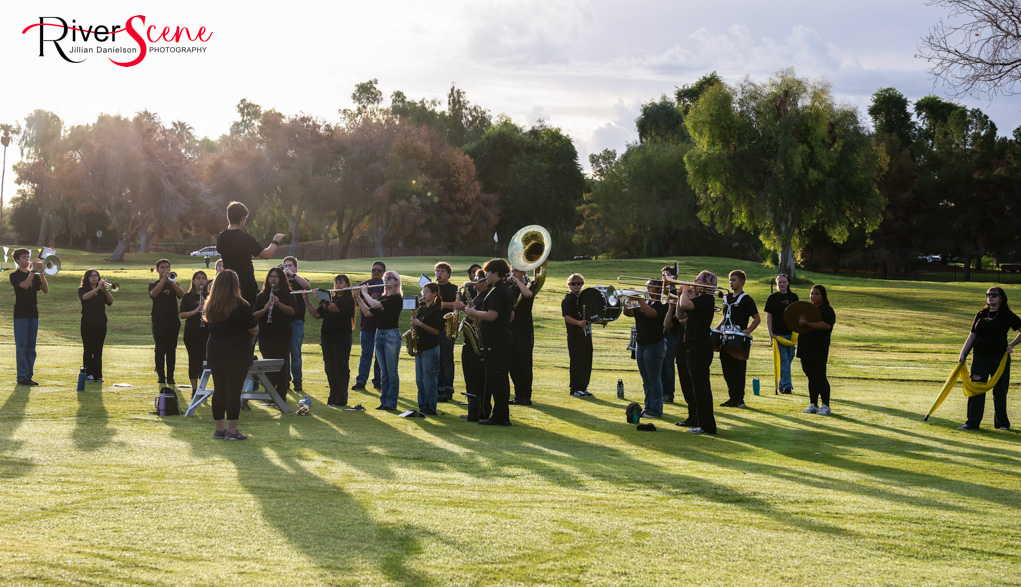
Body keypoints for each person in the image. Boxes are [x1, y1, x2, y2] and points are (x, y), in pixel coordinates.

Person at [204, 270, 259, 440]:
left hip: (215, 349)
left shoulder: (211, 304)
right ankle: (232, 430)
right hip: (237, 350)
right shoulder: (241, 305)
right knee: (234, 391)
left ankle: (219, 429)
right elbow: (254, 328)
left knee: (219, 389)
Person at [957, 286, 1020, 430]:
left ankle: (1002, 423)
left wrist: (1011, 345)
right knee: (976, 388)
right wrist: (963, 353)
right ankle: (972, 422)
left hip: (999, 358)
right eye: (988, 295)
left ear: (1001, 298)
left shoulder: (1006, 314)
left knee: (999, 390)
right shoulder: (981, 314)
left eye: (993, 295)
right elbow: (972, 335)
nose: (990, 297)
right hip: (979, 356)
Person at [466, 259, 514, 426]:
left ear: (496, 272)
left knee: (497, 378)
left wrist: (473, 312)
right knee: (498, 377)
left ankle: (500, 416)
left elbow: (492, 315)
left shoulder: (498, 291)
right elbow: (510, 315)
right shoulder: (502, 289)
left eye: (487, 272)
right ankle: (499, 414)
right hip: (500, 337)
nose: (485, 275)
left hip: (497, 339)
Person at [216, 201, 286, 306]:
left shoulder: (221, 236)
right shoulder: (245, 238)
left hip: (227, 283)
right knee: (248, 313)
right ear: (242, 219)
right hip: (245, 283)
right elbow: (266, 254)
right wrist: (275, 240)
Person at [677, 271, 719, 435]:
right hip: (692, 345)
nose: (694, 281)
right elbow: (680, 315)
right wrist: (682, 294)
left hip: (700, 347)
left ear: (707, 284)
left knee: (701, 388)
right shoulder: (698, 299)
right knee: (697, 387)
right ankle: (703, 423)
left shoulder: (707, 299)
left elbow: (686, 305)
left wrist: (685, 290)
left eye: (698, 279)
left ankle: (707, 425)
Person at [304, 275, 356, 407]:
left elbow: (333, 308)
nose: (338, 285)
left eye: (341, 283)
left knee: (340, 368)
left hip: (342, 338)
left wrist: (318, 297)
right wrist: (306, 300)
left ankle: (341, 398)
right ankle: (333, 395)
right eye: (336, 283)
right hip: (327, 338)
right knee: (329, 367)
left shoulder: (348, 300)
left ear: (346, 284)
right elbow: (316, 314)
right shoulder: (330, 299)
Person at [357, 270, 403, 411]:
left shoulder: (396, 298)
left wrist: (365, 293)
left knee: (391, 371)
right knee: (383, 371)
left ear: (396, 281)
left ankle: (391, 403)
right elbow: (368, 312)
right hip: (380, 334)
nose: (387, 279)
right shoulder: (383, 298)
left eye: (390, 278)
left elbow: (375, 305)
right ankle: (384, 402)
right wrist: (359, 298)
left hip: (391, 336)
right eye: (385, 278)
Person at [624, 279, 667, 418]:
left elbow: (651, 314)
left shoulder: (663, 303)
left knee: (654, 378)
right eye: (647, 286)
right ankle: (648, 407)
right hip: (641, 344)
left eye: (650, 287)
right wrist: (627, 300)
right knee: (646, 379)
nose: (647, 289)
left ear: (658, 289)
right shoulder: (646, 302)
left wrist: (639, 299)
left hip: (654, 344)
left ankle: (656, 410)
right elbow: (628, 313)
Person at [717, 270, 760, 408]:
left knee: (738, 369)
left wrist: (748, 330)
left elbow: (757, 319)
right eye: (730, 280)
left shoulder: (746, 299)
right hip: (725, 337)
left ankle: (739, 399)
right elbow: (725, 318)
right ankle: (732, 397)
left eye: (734, 280)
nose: (731, 282)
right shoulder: (727, 298)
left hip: (738, 339)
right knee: (726, 368)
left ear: (742, 281)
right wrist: (716, 329)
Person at [252, 267, 296, 401]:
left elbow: (293, 312)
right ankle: (269, 394)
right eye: (271, 276)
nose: (273, 278)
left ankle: (281, 393)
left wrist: (278, 303)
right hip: (266, 333)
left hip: (283, 333)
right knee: (268, 363)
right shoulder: (262, 295)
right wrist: (265, 309)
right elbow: (254, 315)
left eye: (276, 276)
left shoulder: (288, 294)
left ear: (281, 279)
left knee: (281, 363)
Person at [454, 270, 488, 421]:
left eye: (478, 278)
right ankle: (473, 409)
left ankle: (479, 410)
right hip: (470, 342)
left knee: (476, 378)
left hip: (478, 343)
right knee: (470, 377)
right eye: (474, 278)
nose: (474, 280)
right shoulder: (477, 297)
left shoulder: (485, 298)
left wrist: (463, 308)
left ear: (485, 281)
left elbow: (479, 318)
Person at [11, 248, 48, 386]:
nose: (27, 259)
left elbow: (45, 290)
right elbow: (25, 286)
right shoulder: (14, 276)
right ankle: (22, 377)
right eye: (24, 257)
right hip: (20, 315)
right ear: (17, 260)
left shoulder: (35, 275)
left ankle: (28, 375)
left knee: (31, 348)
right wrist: (33, 271)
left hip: (34, 314)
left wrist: (42, 273)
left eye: (28, 256)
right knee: (22, 347)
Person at [798, 285, 837, 416]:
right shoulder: (807, 310)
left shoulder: (827, 310)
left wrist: (807, 324)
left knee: (820, 376)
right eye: (811, 294)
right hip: (805, 347)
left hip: (818, 348)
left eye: (816, 294)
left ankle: (826, 406)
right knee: (810, 376)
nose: (813, 296)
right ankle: (813, 405)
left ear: (823, 296)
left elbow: (826, 325)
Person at [411, 282, 445, 415]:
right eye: (423, 292)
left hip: (430, 348)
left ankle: (430, 408)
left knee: (429, 380)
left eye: (427, 292)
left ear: (435, 294)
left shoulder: (436, 310)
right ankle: (422, 406)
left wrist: (420, 324)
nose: (424, 294)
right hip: (420, 347)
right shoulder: (422, 309)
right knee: (420, 380)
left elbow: (436, 331)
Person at [665, 289, 697, 427]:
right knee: (686, 387)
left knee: (694, 386)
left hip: (692, 352)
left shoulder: (696, 309)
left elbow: (683, 319)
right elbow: (667, 324)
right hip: (681, 353)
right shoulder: (683, 309)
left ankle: (697, 417)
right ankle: (692, 416)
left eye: (690, 293)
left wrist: (682, 297)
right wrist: (673, 305)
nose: (687, 296)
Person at [149, 259, 184, 385]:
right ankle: (161, 376)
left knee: (171, 350)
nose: (165, 270)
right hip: (158, 321)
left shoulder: (174, 284)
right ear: (157, 270)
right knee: (159, 349)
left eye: (167, 267)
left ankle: (170, 376)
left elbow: (182, 294)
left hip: (173, 321)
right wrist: (163, 280)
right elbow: (153, 294)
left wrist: (172, 282)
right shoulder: (153, 285)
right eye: (162, 267)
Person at [352, 261, 385, 392]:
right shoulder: (364, 285)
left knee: (379, 356)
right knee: (366, 354)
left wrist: (363, 299)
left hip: (382, 326)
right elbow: (355, 301)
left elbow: (375, 298)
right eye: (374, 270)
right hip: (366, 325)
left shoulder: (385, 286)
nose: (376, 272)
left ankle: (378, 381)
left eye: (379, 270)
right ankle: (361, 382)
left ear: (383, 273)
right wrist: (367, 298)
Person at [509, 267, 539, 406]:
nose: (512, 273)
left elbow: (527, 295)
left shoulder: (529, 285)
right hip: (511, 329)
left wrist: (517, 280)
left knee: (524, 363)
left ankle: (526, 396)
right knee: (513, 364)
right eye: (511, 271)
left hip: (525, 330)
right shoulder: (510, 287)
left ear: (523, 273)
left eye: (515, 271)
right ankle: (518, 395)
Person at [764, 273, 799, 394]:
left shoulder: (794, 297)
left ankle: (781, 384)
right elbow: (769, 316)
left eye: (784, 282)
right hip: (777, 334)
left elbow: (796, 314)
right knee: (783, 360)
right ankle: (787, 387)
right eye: (779, 282)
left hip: (791, 334)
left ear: (788, 283)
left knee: (789, 359)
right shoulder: (772, 297)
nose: (782, 284)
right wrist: (770, 332)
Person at [282, 256, 311, 394]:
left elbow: (307, 286)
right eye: (285, 265)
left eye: (290, 265)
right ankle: (285, 380)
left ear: (296, 267)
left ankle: (297, 381)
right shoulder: (282, 282)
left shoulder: (300, 281)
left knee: (295, 352)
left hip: (297, 321)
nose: (287, 267)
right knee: (284, 353)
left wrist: (293, 275)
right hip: (283, 322)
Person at [79, 269, 112, 383]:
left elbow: (110, 301)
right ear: (87, 278)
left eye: (96, 276)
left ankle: (98, 374)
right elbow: (85, 297)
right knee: (88, 349)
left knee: (98, 350)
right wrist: (97, 288)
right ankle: (88, 374)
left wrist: (106, 290)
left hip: (101, 323)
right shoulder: (82, 289)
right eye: (92, 276)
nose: (94, 278)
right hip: (88, 323)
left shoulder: (102, 291)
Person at [562, 273, 593, 397]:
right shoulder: (568, 299)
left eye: (578, 283)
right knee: (577, 362)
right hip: (575, 335)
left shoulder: (584, 298)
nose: (576, 286)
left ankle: (583, 386)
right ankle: (575, 388)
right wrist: (579, 323)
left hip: (586, 335)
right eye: (573, 284)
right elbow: (566, 317)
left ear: (582, 284)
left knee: (587, 360)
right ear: (569, 285)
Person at [179, 271, 210, 393]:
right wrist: (195, 311)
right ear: (193, 281)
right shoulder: (187, 296)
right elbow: (182, 314)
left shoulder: (210, 295)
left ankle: (202, 389)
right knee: (193, 360)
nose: (201, 280)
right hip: (192, 332)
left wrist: (206, 308)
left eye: (203, 278)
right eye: (198, 278)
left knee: (204, 360)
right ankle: (194, 389)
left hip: (206, 332)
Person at [434, 262, 458, 402]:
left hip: (447, 328)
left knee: (447, 359)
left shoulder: (454, 288)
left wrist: (440, 304)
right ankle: (437, 388)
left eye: (442, 271)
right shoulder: (432, 288)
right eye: (437, 271)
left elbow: (457, 304)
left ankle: (447, 388)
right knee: (436, 359)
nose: (439, 273)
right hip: (434, 327)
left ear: (448, 274)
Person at [660, 265, 680, 403]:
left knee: (668, 364)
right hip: (660, 332)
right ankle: (661, 392)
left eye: (667, 275)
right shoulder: (661, 291)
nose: (664, 278)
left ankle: (669, 393)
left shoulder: (675, 291)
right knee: (660, 364)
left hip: (672, 332)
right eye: (663, 275)